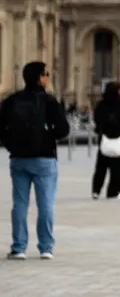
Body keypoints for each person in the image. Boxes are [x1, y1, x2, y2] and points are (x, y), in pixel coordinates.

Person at [0, 61, 69, 260]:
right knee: (45, 203)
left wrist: (11, 145)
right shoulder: (49, 101)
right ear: (40, 77)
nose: (48, 77)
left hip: (19, 158)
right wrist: (48, 137)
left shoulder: (12, 100)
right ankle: (46, 247)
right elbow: (64, 129)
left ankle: (19, 247)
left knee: (20, 204)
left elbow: (1, 128)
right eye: (46, 74)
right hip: (44, 158)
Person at [91, 82, 120, 200]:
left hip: (104, 138)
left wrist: (101, 128)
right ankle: (114, 191)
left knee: (101, 167)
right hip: (116, 137)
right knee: (118, 168)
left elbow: (96, 119)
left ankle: (96, 190)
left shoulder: (101, 104)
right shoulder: (119, 104)